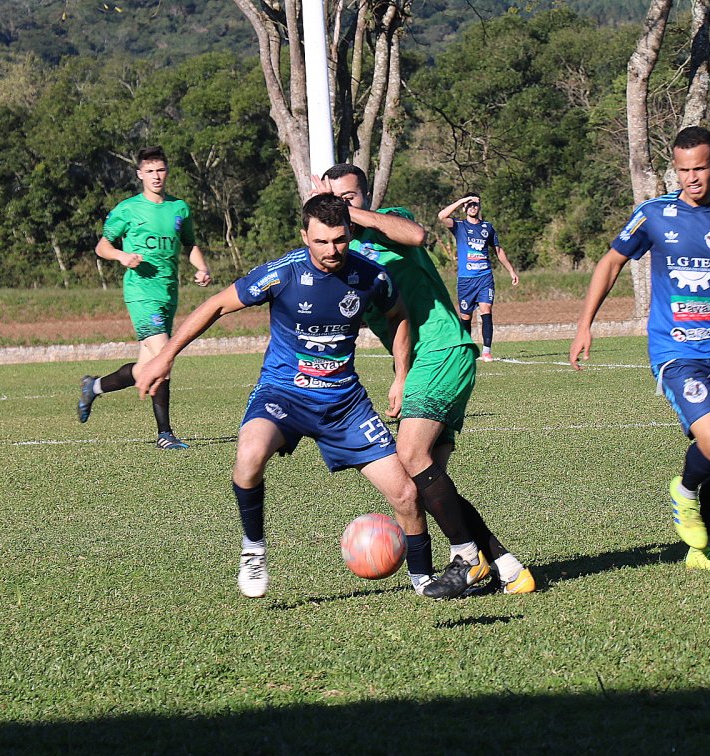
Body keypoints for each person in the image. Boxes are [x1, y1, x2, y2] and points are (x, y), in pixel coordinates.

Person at [134, 193, 422, 599]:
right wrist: (165, 357)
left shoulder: (371, 276)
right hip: (283, 393)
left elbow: (400, 315)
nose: (331, 250)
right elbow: (216, 305)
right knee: (249, 456)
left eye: (339, 240)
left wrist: (401, 375)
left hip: (344, 403)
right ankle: (253, 549)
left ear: (350, 233)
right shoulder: (282, 273)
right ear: (305, 236)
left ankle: (422, 578)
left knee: (405, 493)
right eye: (320, 241)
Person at [569, 126, 710, 571]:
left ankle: (700, 551)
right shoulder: (654, 214)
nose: (692, 178)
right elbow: (611, 262)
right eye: (684, 169)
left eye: (700, 168)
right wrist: (584, 324)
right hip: (675, 351)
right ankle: (684, 490)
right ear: (676, 168)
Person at [319, 165, 535, 597]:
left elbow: (417, 236)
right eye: (333, 200)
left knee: (412, 454)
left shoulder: (388, 221)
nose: (344, 208)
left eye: (350, 197)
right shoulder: (341, 258)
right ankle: (511, 570)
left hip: (442, 350)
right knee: (429, 480)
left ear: (365, 194)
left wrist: (351, 215)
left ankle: (468, 559)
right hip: (419, 364)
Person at [79, 146, 212, 450]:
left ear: (167, 172)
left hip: (168, 293)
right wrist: (122, 256)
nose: (156, 176)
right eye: (149, 171)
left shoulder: (179, 208)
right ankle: (165, 434)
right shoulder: (128, 209)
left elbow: (189, 244)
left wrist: (202, 267)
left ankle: (94, 387)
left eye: (160, 170)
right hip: (141, 294)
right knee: (165, 358)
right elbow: (102, 247)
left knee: (145, 369)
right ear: (140, 174)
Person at [437, 194, 519, 362]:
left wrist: (511, 270)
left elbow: (498, 250)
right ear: (465, 208)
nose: (473, 207)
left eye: (476, 204)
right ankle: (466, 350)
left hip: (484, 277)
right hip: (466, 280)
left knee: (486, 309)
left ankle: (487, 351)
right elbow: (442, 216)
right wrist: (461, 200)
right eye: (470, 204)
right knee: (466, 316)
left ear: (479, 206)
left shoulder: (487, 228)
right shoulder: (459, 226)